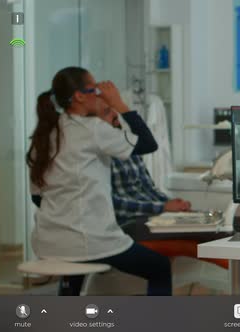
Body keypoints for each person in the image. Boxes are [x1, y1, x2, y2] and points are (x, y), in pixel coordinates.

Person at [26, 67, 172, 296]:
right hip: (90, 240)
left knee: (75, 266)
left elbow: (37, 197)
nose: (101, 94)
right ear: (79, 96)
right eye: (95, 89)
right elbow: (148, 144)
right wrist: (119, 104)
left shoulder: (43, 136)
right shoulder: (92, 129)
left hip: (47, 241)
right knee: (160, 267)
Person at [97, 105, 190, 225]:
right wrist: (162, 208)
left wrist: (175, 205)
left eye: (113, 109)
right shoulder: (97, 156)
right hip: (130, 223)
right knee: (195, 239)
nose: (115, 114)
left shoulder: (128, 146)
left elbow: (149, 188)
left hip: (155, 216)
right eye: (106, 111)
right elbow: (112, 204)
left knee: (210, 227)